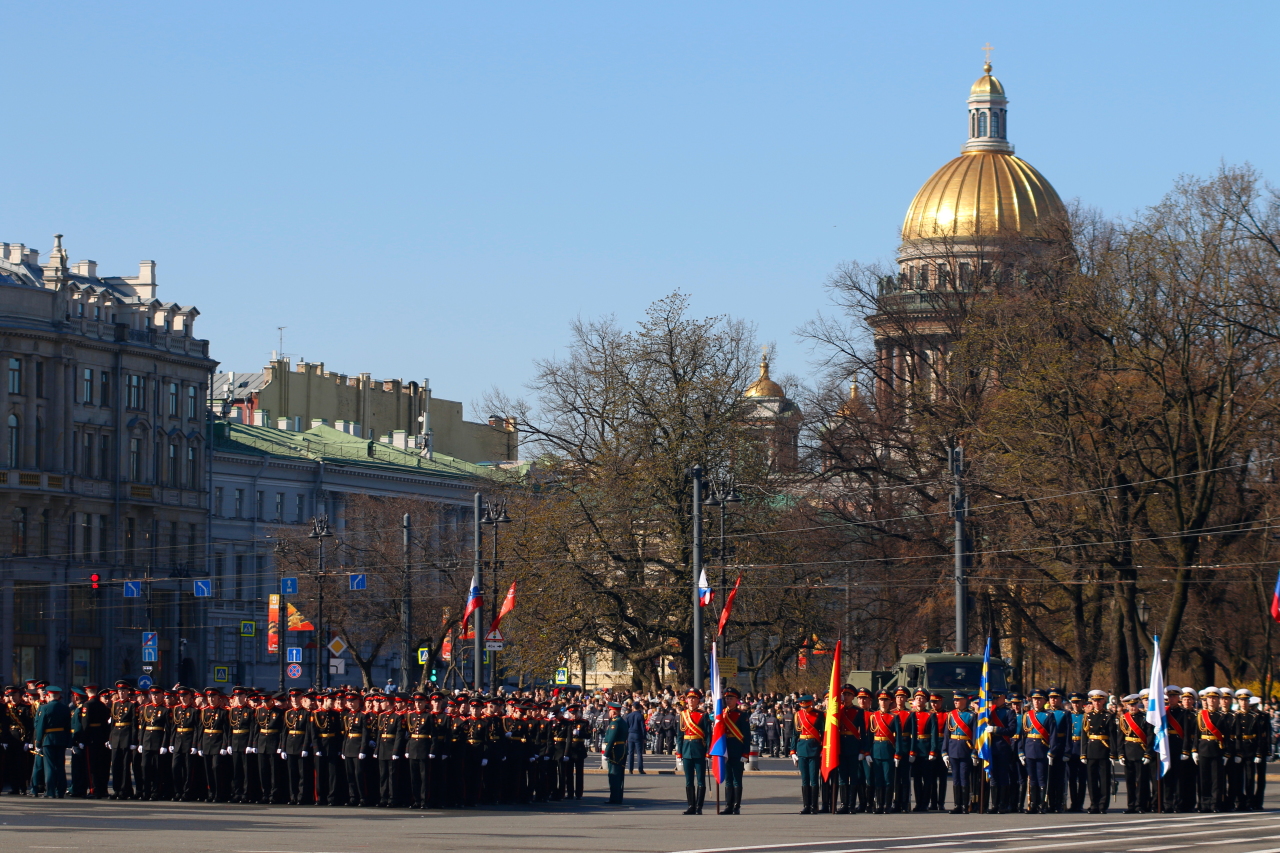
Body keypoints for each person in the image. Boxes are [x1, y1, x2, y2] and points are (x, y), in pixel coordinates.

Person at [941, 692, 978, 814]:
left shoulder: (971, 715)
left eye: (958, 700)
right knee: (956, 778)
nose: (955, 702)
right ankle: (957, 804)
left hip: (965, 749)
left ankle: (965, 805)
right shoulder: (951, 715)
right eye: (954, 700)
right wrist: (944, 751)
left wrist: (974, 752)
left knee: (964, 777)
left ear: (965, 700)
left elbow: (975, 736)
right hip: (953, 749)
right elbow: (947, 735)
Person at [1081, 688, 1116, 814]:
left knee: (1104, 779)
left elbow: (1112, 735)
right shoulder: (1088, 716)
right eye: (1094, 701)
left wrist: (1113, 752)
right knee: (1091, 779)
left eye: (1099, 700)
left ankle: (1102, 805)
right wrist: (1083, 753)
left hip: (1104, 748)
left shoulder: (1108, 716)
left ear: (1103, 701)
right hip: (1091, 749)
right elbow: (1084, 735)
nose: (1096, 703)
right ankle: (1094, 803)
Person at [33, 685, 71, 798]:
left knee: (49, 766)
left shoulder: (45, 708)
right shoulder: (65, 708)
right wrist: (68, 741)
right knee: (60, 766)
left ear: (49, 695)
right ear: (58, 696)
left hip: (48, 739)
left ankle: (50, 791)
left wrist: (38, 742)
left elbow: (40, 726)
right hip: (61, 739)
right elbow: (68, 726)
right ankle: (61, 791)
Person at [717, 686, 751, 815]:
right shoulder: (722, 714)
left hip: (737, 749)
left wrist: (745, 753)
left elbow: (746, 736)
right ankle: (728, 806)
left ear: (736, 699)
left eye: (731, 698)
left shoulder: (742, 715)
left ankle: (736, 806)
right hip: (725, 749)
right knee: (728, 779)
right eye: (726, 698)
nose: (728, 700)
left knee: (737, 779)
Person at [791, 693, 825, 814]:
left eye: (806, 706)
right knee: (805, 779)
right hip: (801, 748)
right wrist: (793, 751)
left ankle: (814, 805)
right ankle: (806, 805)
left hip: (814, 748)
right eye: (802, 706)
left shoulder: (819, 715)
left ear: (811, 703)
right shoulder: (797, 715)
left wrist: (822, 749)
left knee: (814, 779)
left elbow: (823, 733)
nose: (804, 708)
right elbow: (795, 734)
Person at [679, 688, 709, 815]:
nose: (691, 700)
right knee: (689, 780)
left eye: (694, 698)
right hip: (686, 749)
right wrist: (679, 751)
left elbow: (708, 734)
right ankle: (691, 805)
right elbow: (680, 735)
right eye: (689, 698)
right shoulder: (683, 715)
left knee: (701, 779)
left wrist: (708, 751)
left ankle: (699, 806)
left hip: (699, 749)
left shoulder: (703, 715)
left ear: (698, 700)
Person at [602, 702, 627, 804]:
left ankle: (614, 798)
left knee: (614, 774)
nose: (609, 713)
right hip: (621, 749)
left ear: (613, 712)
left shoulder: (615, 723)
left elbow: (611, 738)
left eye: (609, 711)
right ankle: (617, 797)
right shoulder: (622, 721)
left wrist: (606, 753)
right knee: (619, 775)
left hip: (615, 750)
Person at [624, 701, 647, 775]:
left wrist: (626, 736)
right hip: (638, 735)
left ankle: (630, 769)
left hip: (630, 735)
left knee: (630, 753)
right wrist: (644, 737)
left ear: (633, 707)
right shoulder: (640, 716)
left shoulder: (629, 715)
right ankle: (640, 769)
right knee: (639, 753)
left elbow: (626, 727)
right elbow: (643, 727)